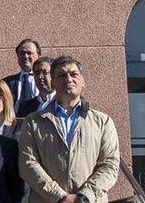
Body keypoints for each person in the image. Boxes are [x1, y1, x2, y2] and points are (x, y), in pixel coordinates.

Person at [19, 55, 120, 202]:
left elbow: (109, 165)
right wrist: (59, 197)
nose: (68, 79)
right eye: (61, 75)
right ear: (53, 82)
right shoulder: (33, 122)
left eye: (73, 74)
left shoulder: (102, 122)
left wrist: (84, 196)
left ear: (83, 81)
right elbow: (28, 164)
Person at [3, 39, 41, 112]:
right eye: (22, 53)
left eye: (29, 53)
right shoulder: (6, 82)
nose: (25, 56)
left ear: (38, 55)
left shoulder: (48, 80)